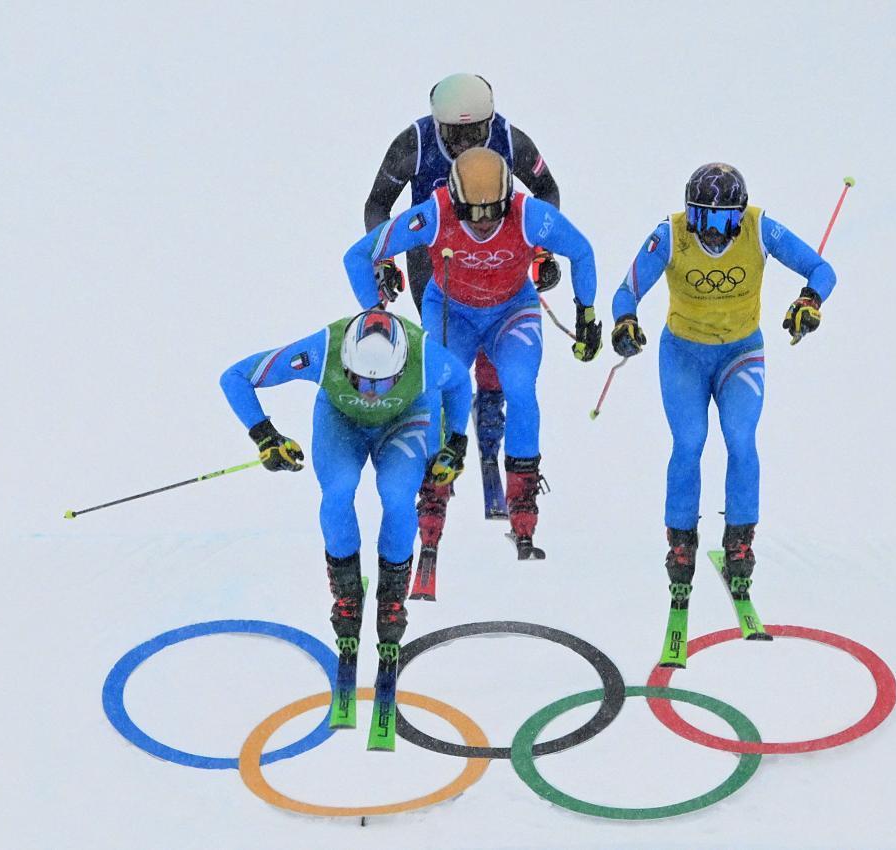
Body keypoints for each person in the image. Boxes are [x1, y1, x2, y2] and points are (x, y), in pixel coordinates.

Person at [345, 146, 601, 562]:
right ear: (454, 199)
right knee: (437, 395)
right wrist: (375, 311)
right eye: (472, 214)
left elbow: (582, 250)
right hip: (453, 312)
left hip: (511, 313)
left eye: (493, 213)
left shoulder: (529, 213)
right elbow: (358, 254)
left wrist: (587, 313)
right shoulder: (433, 212)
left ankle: (523, 507)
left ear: (508, 198)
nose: (483, 224)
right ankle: (431, 497)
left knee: (520, 388)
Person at [609, 162, 836, 608]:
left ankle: (740, 539)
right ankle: (680, 541)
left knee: (740, 438)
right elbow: (626, 291)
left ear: (741, 213)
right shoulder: (671, 234)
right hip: (684, 355)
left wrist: (809, 300)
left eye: (726, 219)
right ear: (689, 214)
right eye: (705, 219)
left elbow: (822, 270)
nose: (715, 231)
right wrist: (625, 320)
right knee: (690, 441)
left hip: (740, 352)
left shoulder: (759, 228)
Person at [219, 308, 471, 674]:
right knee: (338, 490)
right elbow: (235, 376)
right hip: (340, 422)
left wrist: (457, 441)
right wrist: (265, 436)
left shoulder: (426, 353)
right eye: (358, 380)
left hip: (404, 421)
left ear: (401, 366)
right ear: (345, 361)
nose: (370, 393)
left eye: (383, 384)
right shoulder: (323, 348)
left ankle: (392, 600)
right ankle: (346, 595)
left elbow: (461, 382)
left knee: (398, 495)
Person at [363, 73, 563, 521]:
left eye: (477, 132)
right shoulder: (412, 143)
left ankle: (490, 415)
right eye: (455, 134)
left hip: (499, 250)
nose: (467, 142)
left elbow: (546, 191)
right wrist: (384, 262)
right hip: (436, 256)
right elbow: (378, 204)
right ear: (438, 124)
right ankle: (443, 460)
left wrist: (541, 250)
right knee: (450, 353)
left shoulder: (511, 139)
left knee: (500, 348)